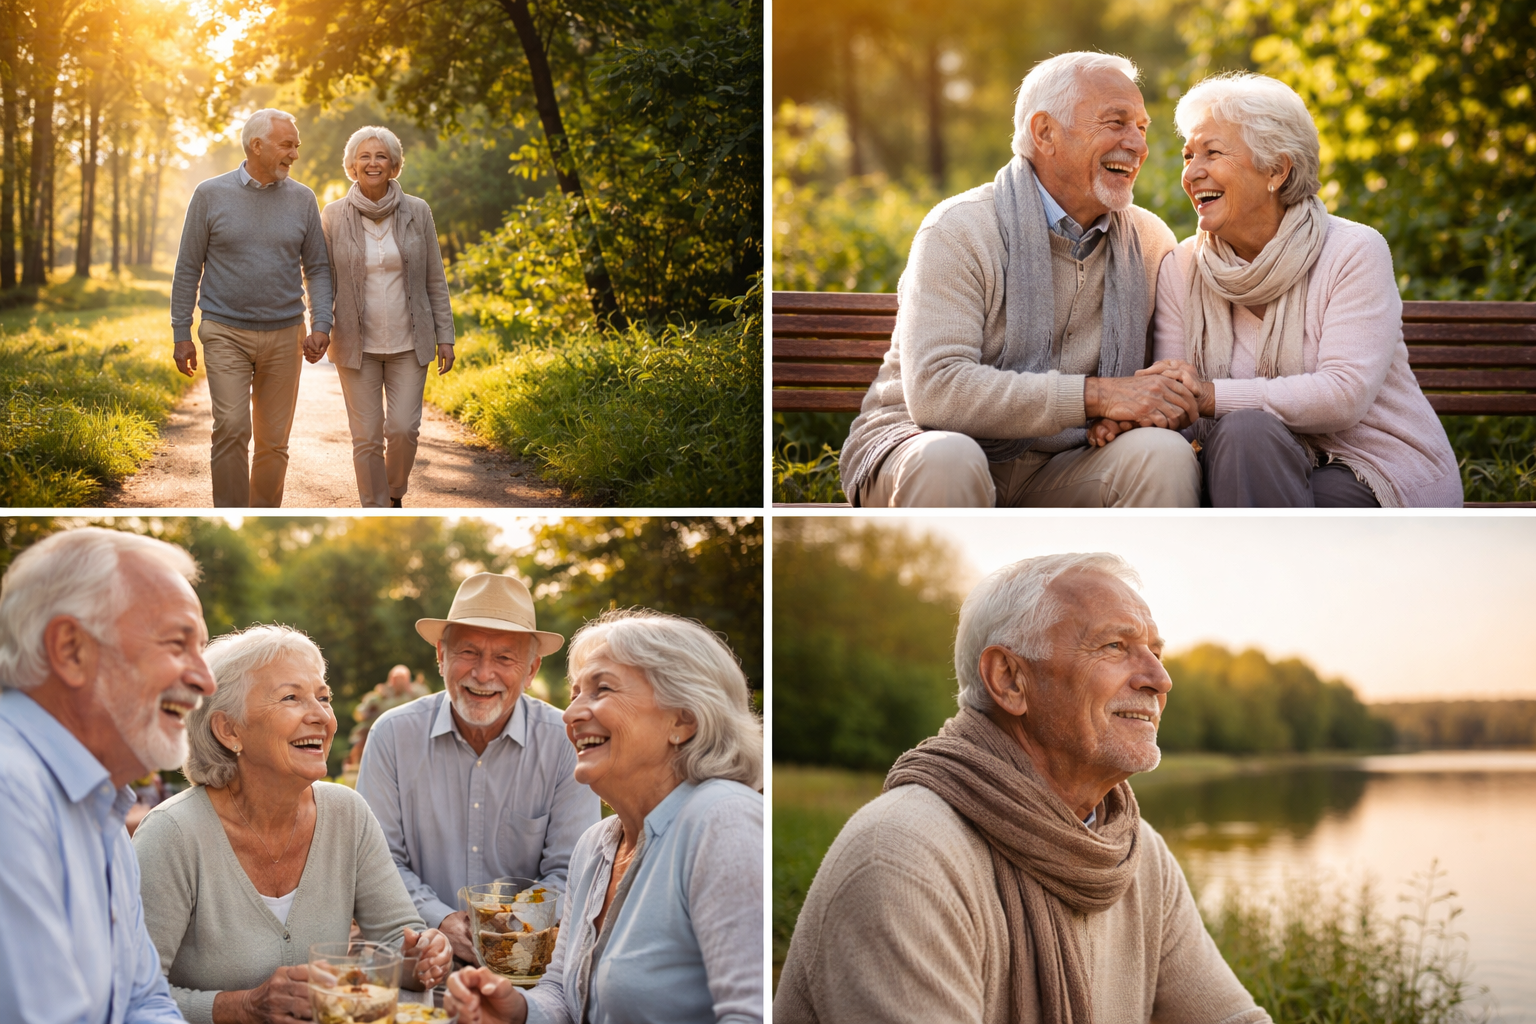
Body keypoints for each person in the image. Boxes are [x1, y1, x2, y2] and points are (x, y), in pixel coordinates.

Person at [774, 553, 1271, 1024]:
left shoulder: (1139, 856)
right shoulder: (901, 855)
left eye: (1156, 653)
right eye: (1115, 647)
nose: (1159, 679)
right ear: (1009, 679)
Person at [839, 51, 1202, 508]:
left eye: (1142, 127)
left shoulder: (1149, 241)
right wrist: (1097, 396)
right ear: (1045, 132)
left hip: (1068, 462)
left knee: (1163, 455)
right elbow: (936, 391)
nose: (1139, 145)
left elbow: (1146, 385)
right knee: (950, 458)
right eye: (1116, 122)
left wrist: (1136, 411)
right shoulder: (960, 228)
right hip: (924, 444)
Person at [1131, 73, 1461, 506]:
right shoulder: (1182, 267)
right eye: (1188, 155)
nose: (1191, 173)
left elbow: (1343, 394)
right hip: (1244, 466)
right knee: (1247, 436)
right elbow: (1180, 403)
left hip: (1368, 466)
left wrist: (1211, 396)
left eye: (1212, 153)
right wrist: (1141, 416)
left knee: (1248, 437)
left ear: (1277, 169)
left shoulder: (1353, 251)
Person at [446, 609, 764, 1024]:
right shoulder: (596, 845)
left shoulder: (723, 820)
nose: (570, 713)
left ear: (683, 720)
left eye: (602, 689)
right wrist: (517, 1012)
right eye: (576, 693)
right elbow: (562, 990)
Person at [134, 625, 451, 1024]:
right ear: (229, 729)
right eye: (291, 698)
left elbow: (397, 941)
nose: (321, 716)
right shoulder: (172, 834)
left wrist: (421, 955)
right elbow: (132, 995)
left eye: (323, 698)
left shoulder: (347, 813)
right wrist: (244, 1007)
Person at [0, 527, 215, 1024]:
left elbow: (143, 1001)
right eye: (177, 643)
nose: (206, 679)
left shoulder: (102, 808)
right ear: (71, 650)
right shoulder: (11, 793)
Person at [357, 573, 600, 965]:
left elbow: (571, 869)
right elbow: (377, 862)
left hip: (529, 966)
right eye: (468, 653)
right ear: (441, 656)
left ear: (532, 669)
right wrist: (441, 922)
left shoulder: (564, 742)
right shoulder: (392, 735)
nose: (484, 674)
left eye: (505, 657)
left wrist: (506, 929)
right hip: (414, 959)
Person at [171, 108, 335, 508]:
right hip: (224, 330)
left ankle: (263, 515)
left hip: (285, 333)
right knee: (231, 426)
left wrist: (322, 323)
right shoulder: (210, 194)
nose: (294, 154)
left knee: (274, 441)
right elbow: (188, 266)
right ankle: (229, 511)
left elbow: (317, 267)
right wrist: (181, 332)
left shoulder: (303, 199)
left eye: (296, 145)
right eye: (287, 145)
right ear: (256, 145)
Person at [319, 126, 456, 509]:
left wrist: (445, 334)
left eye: (381, 156)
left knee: (403, 430)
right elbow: (320, 278)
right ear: (352, 166)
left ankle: (394, 491)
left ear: (394, 165)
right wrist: (318, 326)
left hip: (409, 343)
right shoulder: (332, 216)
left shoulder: (418, 211)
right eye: (364, 156)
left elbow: (435, 277)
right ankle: (377, 508)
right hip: (355, 345)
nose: (372, 163)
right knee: (365, 436)